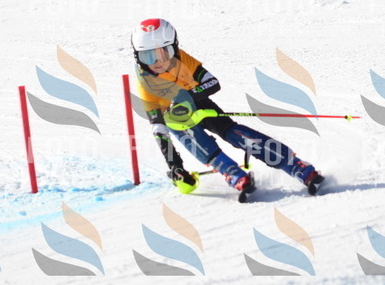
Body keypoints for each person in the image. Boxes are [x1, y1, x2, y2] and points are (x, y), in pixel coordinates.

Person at [132, 18, 324, 199]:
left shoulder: (181, 58)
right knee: (194, 140)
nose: (158, 62)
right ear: (138, 57)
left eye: (164, 53)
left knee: (233, 133)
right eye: (148, 56)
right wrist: (175, 166)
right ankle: (232, 173)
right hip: (175, 118)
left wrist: (189, 96)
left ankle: (295, 166)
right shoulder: (145, 83)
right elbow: (159, 129)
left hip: (198, 102)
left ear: (174, 48)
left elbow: (212, 82)